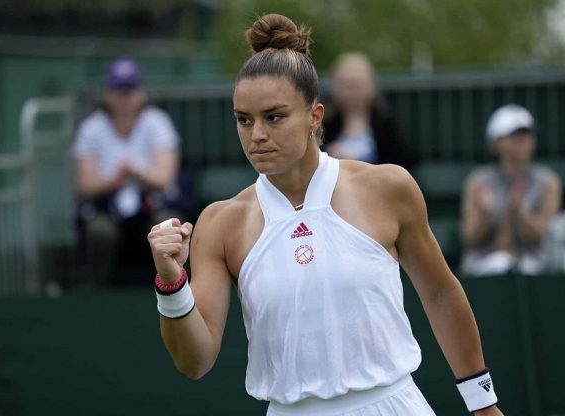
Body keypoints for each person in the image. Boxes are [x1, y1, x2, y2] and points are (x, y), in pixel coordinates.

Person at [148, 14, 503, 416]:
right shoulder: (220, 222)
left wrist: (483, 404)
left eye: (274, 117)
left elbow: (440, 294)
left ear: (315, 117)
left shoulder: (388, 187)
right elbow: (195, 362)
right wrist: (171, 283)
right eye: (243, 120)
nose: (256, 134)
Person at [73, 58, 183, 285]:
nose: (125, 98)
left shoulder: (157, 122)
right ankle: (98, 292)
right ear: (107, 93)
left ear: (140, 92)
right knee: (99, 232)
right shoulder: (91, 128)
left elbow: (164, 179)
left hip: (152, 206)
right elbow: (85, 186)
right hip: (106, 209)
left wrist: (133, 173)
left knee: (168, 226)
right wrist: (115, 180)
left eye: (130, 90)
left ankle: (175, 287)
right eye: (118, 90)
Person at [460, 104, 562, 277]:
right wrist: (485, 214)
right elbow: (470, 239)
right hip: (484, 264)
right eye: (514, 136)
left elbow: (546, 238)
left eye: (527, 135)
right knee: (501, 263)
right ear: (495, 143)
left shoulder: (548, 182)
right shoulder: (477, 182)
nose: (523, 141)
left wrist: (518, 210)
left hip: (536, 264)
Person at [322, 52, 414, 170]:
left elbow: (400, 162)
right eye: (344, 85)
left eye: (355, 85)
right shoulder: (325, 123)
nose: (350, 93)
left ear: (370, 85)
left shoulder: (385, 122)